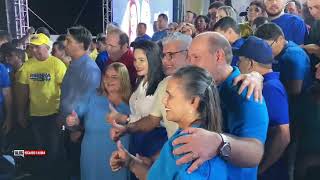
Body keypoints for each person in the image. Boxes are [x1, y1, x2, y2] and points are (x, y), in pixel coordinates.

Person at [174, 32, 268, 180]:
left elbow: (255, 152)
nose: (190, 64)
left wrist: (219, 142)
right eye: (189, 57)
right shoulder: (204, 87)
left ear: (218, 56)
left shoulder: (246, 92)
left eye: (196, 57)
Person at [110, 66, 228, 180]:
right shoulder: (195, 135)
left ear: (194, 101)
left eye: (170, 96)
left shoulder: (188, 145)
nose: (164, 100)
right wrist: (130, 161)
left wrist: (132, 163)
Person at [234, 36, 290, 180]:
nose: (238, 64)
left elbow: (283, 135)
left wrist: (260, 169)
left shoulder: (270, 88)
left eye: (240, 61)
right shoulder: (267, 83)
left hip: (269, 172)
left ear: (251, 63)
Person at [66, 62, 131, 180]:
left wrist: (122, 117)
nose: (109, 80)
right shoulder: (93, 95)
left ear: (123, 79)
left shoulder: (132, 100)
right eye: (106, 76)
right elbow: (76, 115)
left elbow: (139, 124)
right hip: (92, 153)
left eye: (114, 77)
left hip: (118, 155)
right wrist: (73, 121)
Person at [17, 33, 67, 179]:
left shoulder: (57, 64)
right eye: (32, 48)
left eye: (38, 47)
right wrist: (20, 113)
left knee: (55, 149)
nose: (35, 51)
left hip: (54, 114)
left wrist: (63, 114)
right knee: (40, 149)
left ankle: (56, 175)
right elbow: (23, 91)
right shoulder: (28, 65)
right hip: (36, 114)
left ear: (47, 47)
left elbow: (65, 90)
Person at [109, 40, 167, 161]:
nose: (137, 64)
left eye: (141, 60)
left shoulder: (162, 84)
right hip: (136, 137)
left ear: (152, 60)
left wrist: (125, 118)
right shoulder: (139, 80)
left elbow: (153, 120)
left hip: (154, 141)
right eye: (135, 60)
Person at [60, 26, 101, 180]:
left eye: (69, 40)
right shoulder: (75, 64)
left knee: (78, 171)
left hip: (78, 132)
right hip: (70, 128)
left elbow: (90, 104)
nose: (65, 43)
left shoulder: (90, 70)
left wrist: (77, 129)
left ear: (81, 44)